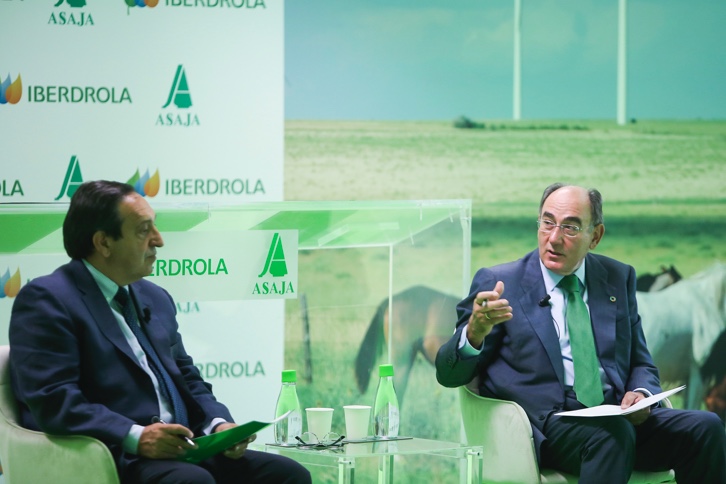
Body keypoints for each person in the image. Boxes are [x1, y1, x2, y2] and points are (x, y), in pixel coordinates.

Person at [9, 180, 311, 484]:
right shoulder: (48, 300)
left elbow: (187, 377)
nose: (159, 240)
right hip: (113, 454)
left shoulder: (154, 297)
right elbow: (54, 400)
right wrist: (136, 436)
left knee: (287, 475)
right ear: (103, 242)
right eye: (143, 230)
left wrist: (218, 425)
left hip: (185, 447)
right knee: (192, 481)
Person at [435, 183, 726, 483]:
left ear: (595, 236)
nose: (554, 238)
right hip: (543, 428)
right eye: (547, 223)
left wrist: (642, 394)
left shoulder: (618, 277)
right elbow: (449, 375)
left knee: (707, 427)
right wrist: (474, 333)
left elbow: (641, 362)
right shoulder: (500, 282)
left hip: (616, 417)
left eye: (570, 228)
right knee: (611, 435)